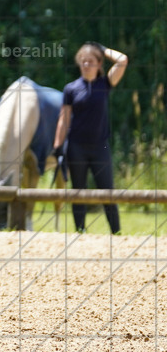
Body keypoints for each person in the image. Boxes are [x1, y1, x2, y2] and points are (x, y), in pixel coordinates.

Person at [52, 42, 129, 234]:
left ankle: (116, 233)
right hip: (76, 147)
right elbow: (63, 119)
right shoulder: (71, 89)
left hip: (100, 147)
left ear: (99, 64)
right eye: (83, 61)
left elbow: (123, 60)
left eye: (91, 61)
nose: (87, 65)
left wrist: (102, 49)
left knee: (107, 191)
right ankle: (80, 232)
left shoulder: (105, 84)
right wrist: (58, 147)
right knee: (78, 191)